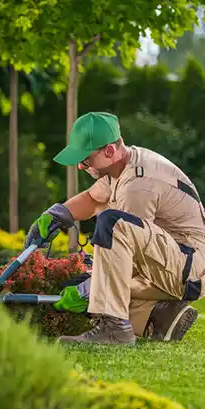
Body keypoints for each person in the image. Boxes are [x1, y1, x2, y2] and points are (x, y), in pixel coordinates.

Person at [24, 111, 205, 345]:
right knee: (88, 279)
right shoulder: (122, 166)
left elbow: (128, 256)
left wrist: (87, 291)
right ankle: (160, 316)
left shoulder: (138, 186)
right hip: (171, 261)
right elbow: (93, 198)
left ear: (109, 150)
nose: (80, 166)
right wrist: (57, 215)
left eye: (86, 159)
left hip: (189, 270)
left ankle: (115, 329)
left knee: (111, 226)